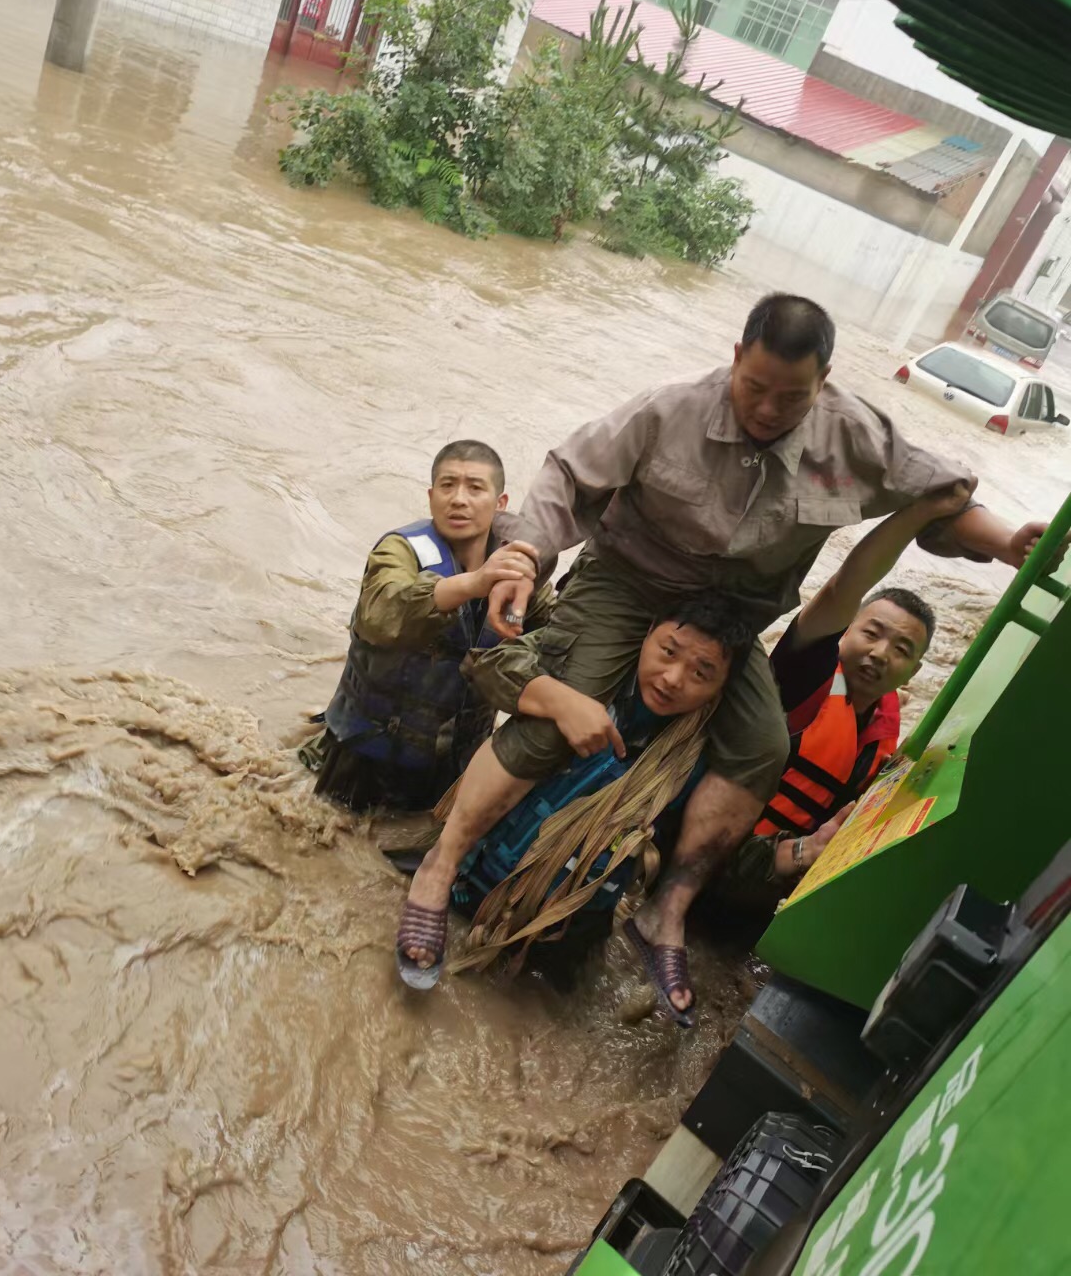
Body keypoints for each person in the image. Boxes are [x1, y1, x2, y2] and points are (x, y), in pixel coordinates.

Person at [398, 293, 1054, 997]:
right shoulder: (668, 410)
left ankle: (667, 910)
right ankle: (440, 869)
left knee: (764, 745)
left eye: (792, 396)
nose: (769, 409)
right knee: (567, 705)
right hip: (630, 579)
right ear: (736, 358)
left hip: (735, 614)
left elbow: (944, 497)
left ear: (825, 380)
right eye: (755, 387)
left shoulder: (857, 436)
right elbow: (566, 473)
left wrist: (1008, 541)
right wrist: (526, 555)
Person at [427, 596, 755, 1023]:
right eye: (668, 652)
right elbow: (490, 662)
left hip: (566, 933)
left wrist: (797, 853)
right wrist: (560, 701)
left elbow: (704, 853)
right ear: (647, 632)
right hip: (472, 884)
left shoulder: (701, 762)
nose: (673, 679)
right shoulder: (590, 664)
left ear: (720, 689)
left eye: (701, 672)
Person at [712, 486, 966, 914]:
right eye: (871, 632)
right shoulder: (802, 677)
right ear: (844, 631)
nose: (881, 653)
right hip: (712, 852)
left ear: (914, 672)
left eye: (902, 649)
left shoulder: (882, 732)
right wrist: (917, 514)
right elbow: (840, 589)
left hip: (766, 882)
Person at [302, 440, 548, 811]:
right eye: (448, 486)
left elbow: (558, 642)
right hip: (360, 758)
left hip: (453, 769)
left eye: (475, 488)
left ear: (500, 504)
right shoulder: (400, 550)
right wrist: (474, 583)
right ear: (431, 496)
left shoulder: (518, 574)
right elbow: (380, 613)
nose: (459, 499)